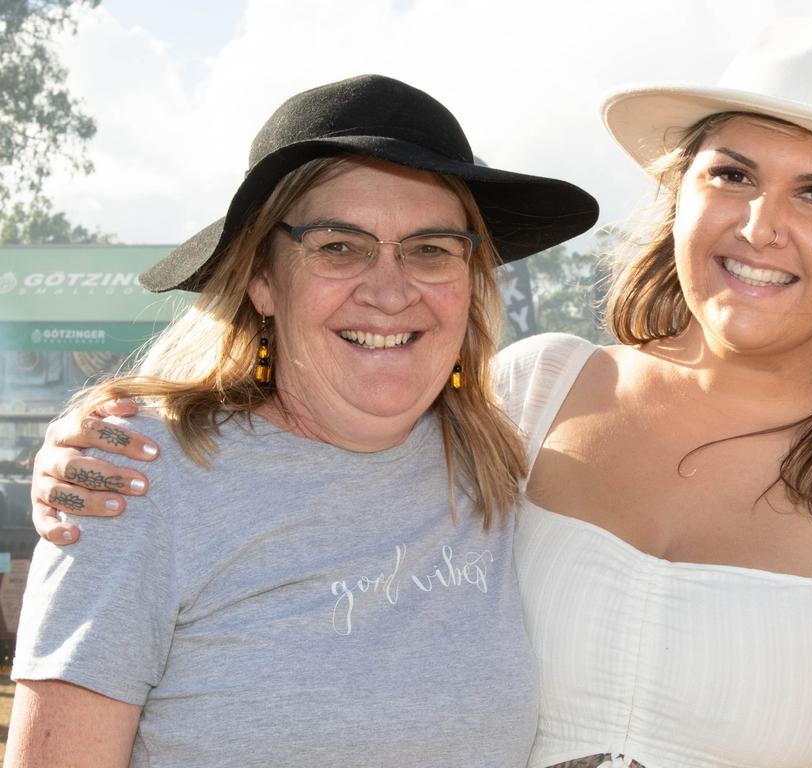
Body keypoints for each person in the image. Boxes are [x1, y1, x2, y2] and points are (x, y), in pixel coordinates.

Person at [26, 20, 812, 768]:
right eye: (731, 174)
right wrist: (105, 435)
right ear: (681, 202)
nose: (761, 225)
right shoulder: (530, 395)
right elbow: (305, 443)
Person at [6, 74, 598, 768]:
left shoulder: (503, 464)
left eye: (431, 248)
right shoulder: (139, 477)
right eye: (338, 246)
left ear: (470, 282)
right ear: (261, 279)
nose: (389, 289)